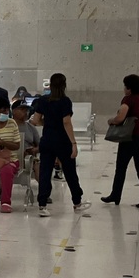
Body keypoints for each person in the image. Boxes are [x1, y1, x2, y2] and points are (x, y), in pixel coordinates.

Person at [31, 73, 90, 216]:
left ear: (50, 85)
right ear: (64, 85)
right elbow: (66, 122)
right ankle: (77, 202)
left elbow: (35, 120)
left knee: (45, 172)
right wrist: (73, 143)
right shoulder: (65, 101)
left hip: (47, 140)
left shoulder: (43, 100)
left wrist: (48, 123)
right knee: (70, 172)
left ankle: (42, 205)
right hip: (63, 141)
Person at [100, 74, 139, 209]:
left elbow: (120, 117)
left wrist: (111, 121)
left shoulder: (128, 99)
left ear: (129, 88)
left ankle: (115, 195)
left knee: (121, 168)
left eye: (125, 86)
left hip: (130, 138)